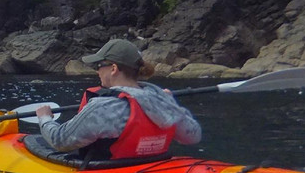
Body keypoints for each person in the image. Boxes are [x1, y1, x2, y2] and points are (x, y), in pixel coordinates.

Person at [34, 38, 201, 161]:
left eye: (99, 66)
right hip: (152, 165)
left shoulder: (104, 106)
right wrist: (173, 105)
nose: (97, 72)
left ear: (113, 68)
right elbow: (193, 137)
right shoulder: (162, 99)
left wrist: (45, 118)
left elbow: (59, 140)